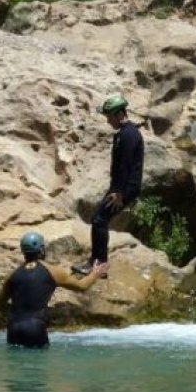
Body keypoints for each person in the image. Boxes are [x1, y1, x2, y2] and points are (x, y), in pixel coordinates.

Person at [0, 232, 109, 348]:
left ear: (23, 251)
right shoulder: (52, 271)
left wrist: (20, 312)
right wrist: (95, 274)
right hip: (35, 327)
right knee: (37, 364)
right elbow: (82, 286)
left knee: (16, 364)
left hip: (14, 327)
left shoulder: (12, 275)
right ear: (42, 250)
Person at [72, 95, 144, 276]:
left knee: (99, 220)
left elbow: (125, 165)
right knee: (99, 219)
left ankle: (99, 265)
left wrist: (118, 192)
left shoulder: (129, 135)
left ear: (120, 114)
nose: (107, 120)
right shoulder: (123, 133)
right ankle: (97, 262)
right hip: (119, 188)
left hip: (125, 189)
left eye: (109, 116)